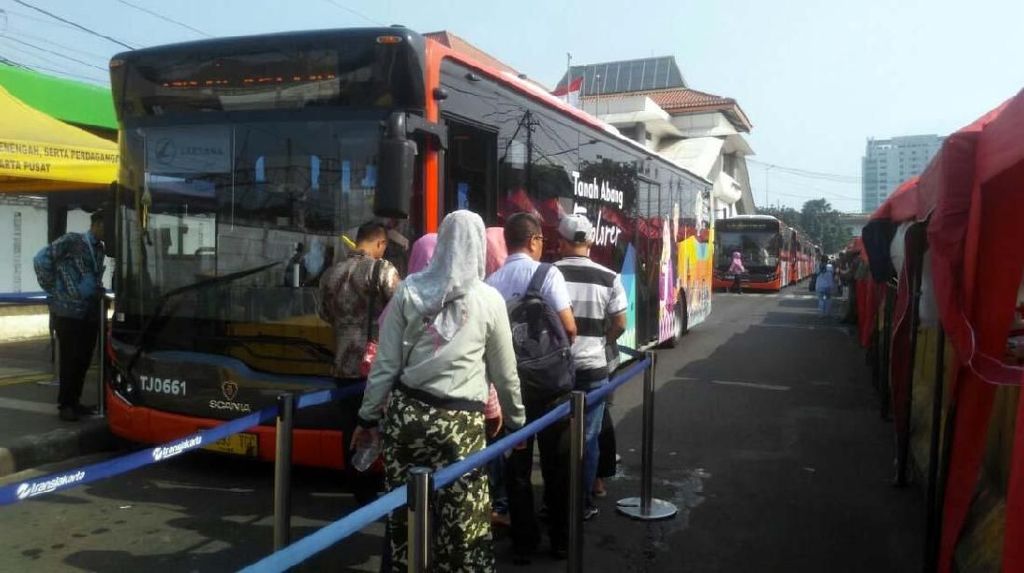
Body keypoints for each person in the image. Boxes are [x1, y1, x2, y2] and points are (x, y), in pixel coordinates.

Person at [350, 210, 526, 572]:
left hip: (407, 416)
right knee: (465, 524)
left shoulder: (410, 290)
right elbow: (505, 374)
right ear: (478, 246)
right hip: (461, 427)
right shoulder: (490, 300)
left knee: (404, 515)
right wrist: (517, 423)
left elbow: (385, 366)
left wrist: (367, 417)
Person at [486, 212, 577, 561]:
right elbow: (568, 328)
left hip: (514, 392)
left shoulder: (491, 282)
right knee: (557, 466)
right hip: (552, 390)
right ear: (535, 240)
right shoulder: (548, 273)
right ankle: (560, 541)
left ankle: (523, 544)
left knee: (517, 472)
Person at [317, 221, 400, 501]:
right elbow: (402, 310)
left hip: (342, 365)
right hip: (377, 366)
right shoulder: (382, 270)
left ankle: (357, 491)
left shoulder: (331, 273)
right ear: (380, 244)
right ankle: (389, 487)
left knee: (350, 429)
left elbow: (324, 314)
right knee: (385, 426)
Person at [553, 214, 627, 520]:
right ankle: (582, 503)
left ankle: (555, 503)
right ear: (591, 241)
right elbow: (621, 323)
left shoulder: (549, 274)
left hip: (558, 370)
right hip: (594, 368)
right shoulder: (610, 277)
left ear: (561, 242)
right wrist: (601, 340)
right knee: (589, 438)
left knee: (556, 438)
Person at [33, 210, 106, 422]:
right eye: (108, 227)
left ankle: (75, 401)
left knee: (83, 360)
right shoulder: (72, 240)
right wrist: (55, 289)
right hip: (68, 313)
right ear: (99, 224)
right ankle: (65, 404)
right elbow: (40, 259)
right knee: (70, 360)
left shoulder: (99, 249)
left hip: (90, 312)